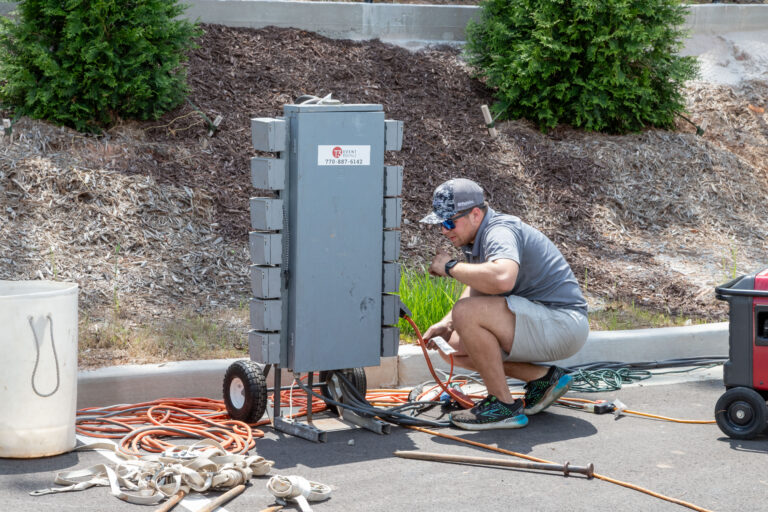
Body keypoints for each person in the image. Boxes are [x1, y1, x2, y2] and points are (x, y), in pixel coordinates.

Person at [420, 178, 589, 430]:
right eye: (440, 224)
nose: (444, 230)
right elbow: (480, 285)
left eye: (448, 222)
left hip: (563, 322)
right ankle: (544, 379)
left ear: (475, 214)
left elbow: (501, 278)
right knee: (453, 348)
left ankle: (502, 406)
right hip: (546, 322)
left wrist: (449, 267)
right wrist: (446, 323)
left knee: (466, 312)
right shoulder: (477, 236)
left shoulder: (499, 231)